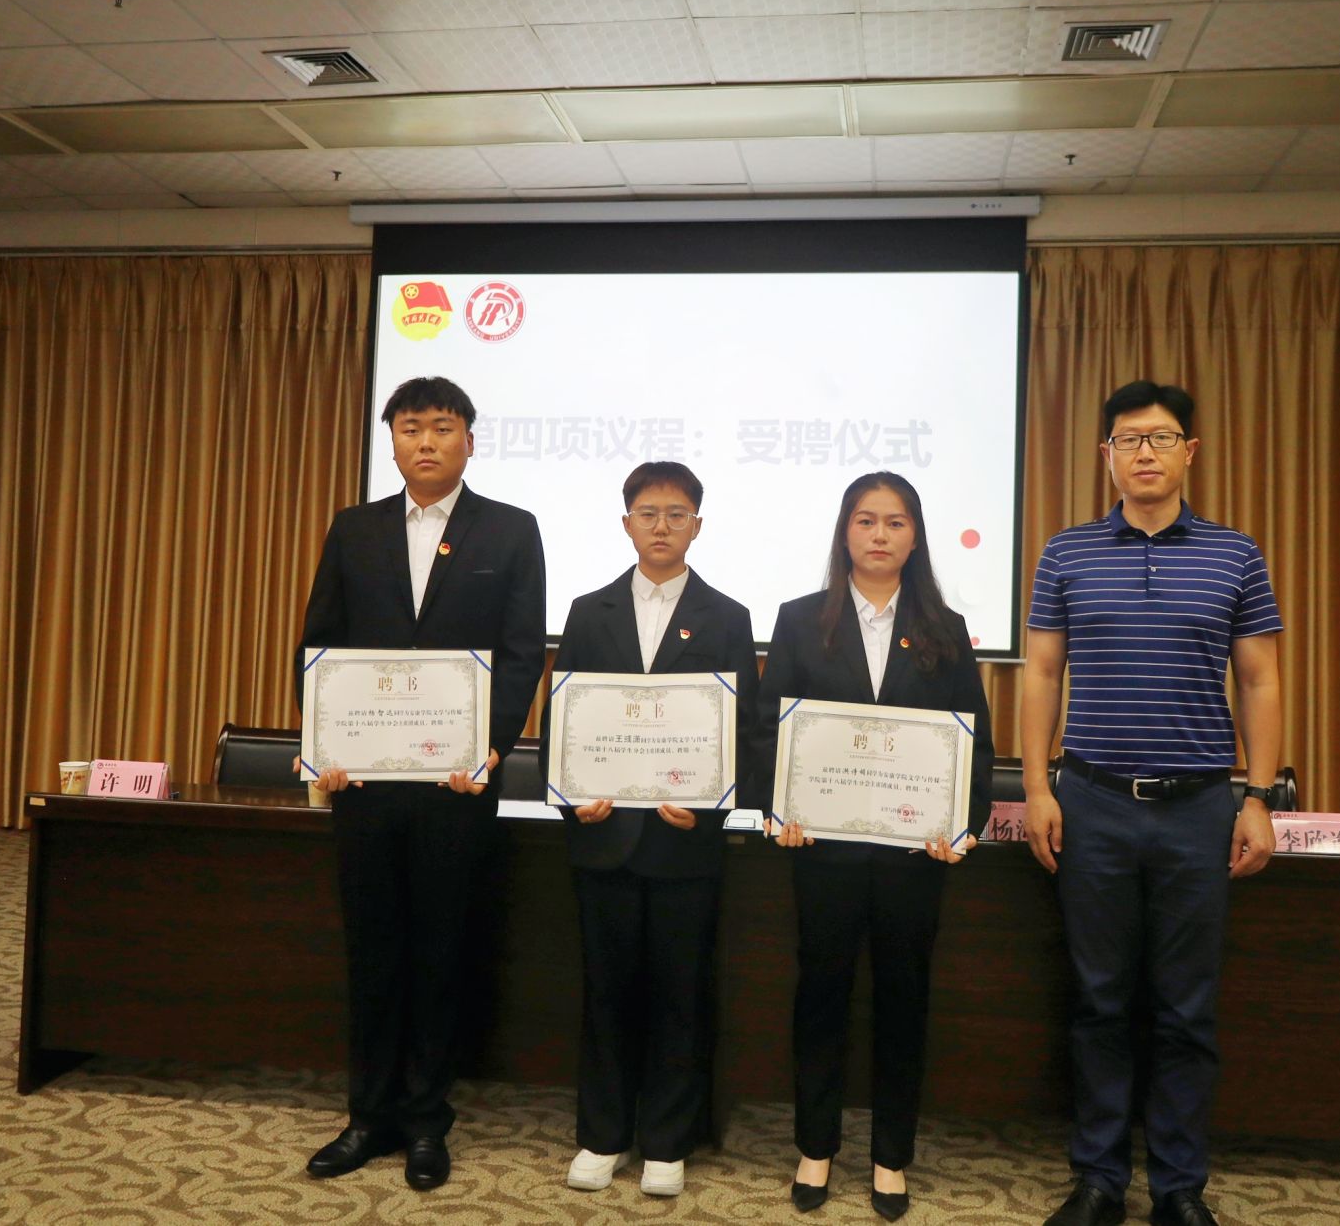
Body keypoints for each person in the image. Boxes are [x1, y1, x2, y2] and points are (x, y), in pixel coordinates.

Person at [1020, 381, 1284, 1226]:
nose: (1144, 452)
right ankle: (1099, 1178)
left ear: (1189, 452)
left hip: (1198, 807)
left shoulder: (1236, 554)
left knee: (1186, 1006)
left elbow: (1260, 679)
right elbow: (1041, 673)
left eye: (1161, 437)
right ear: (1106, 455)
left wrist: (1257, 796)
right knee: (1098, 1000)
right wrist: (1037, 787)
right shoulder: (1065, 552)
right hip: (1091, 801)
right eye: (1128, 439)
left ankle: (1179, 1187)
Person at [294, 376, 547, 1192]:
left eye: (442, 426)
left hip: (454, 787)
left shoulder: (510, 530)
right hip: (365, 784)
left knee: (441, 951)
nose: (427, 441)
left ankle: (427, 1120)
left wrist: (488, 749)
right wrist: (324, 745)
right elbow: (320, 645)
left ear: (470, 439)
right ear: (393, 441)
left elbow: (521, 653)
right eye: (411, 427)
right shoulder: (354, 528)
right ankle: (368, 1115)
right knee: (372, 950)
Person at [761, 471, 994, 1223]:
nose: (880, 534)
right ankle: (815, 1146)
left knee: (903, 1000)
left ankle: (892, 1155)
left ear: (915, 537)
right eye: (866, 520)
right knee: (820, 996)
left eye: (895, 522)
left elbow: (973, 740)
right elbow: (769, 728)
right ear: (845, 532)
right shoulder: (800, 620)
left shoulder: (946, 628)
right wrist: (779, 808)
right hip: (823, 850)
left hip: (912, 856)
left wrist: (962, 823)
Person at [540, 461, 764, 1199]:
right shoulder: (588, 611)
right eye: (647, 512)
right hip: (603, 838)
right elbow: (561, 724)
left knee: (679, 993)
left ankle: (668, 1141)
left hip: (684, 843)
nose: (661, 525)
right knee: (605, 992)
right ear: (626, 523)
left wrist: (710, 805)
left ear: (698, 524)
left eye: (676, 513)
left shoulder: (727, 617)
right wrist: (573, 798)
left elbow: (744, 732)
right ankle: (601, 1135)